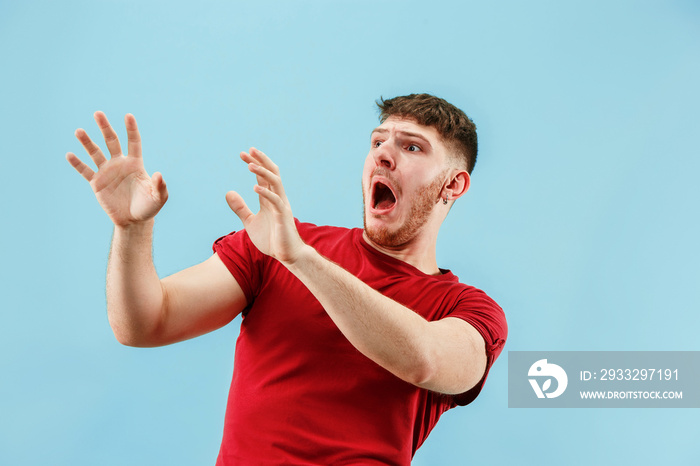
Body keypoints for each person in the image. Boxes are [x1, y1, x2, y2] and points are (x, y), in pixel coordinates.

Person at [66, 93, 507, 465]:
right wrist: (132, 230)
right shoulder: (273, 243)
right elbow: (144, 324)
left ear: (453, 185)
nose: (383, 155)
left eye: (412, 148)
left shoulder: (470, 311)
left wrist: (300, 259)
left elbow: (424, 360)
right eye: (378, 142)